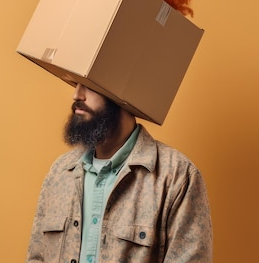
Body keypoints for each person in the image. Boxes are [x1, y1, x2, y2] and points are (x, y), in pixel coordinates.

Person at [26, 83, 213, 263]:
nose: (77, 95)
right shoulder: (60, 172)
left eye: (90, 84)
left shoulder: (177, 177)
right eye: (76, 83)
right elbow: (36, 257)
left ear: (125, 92)